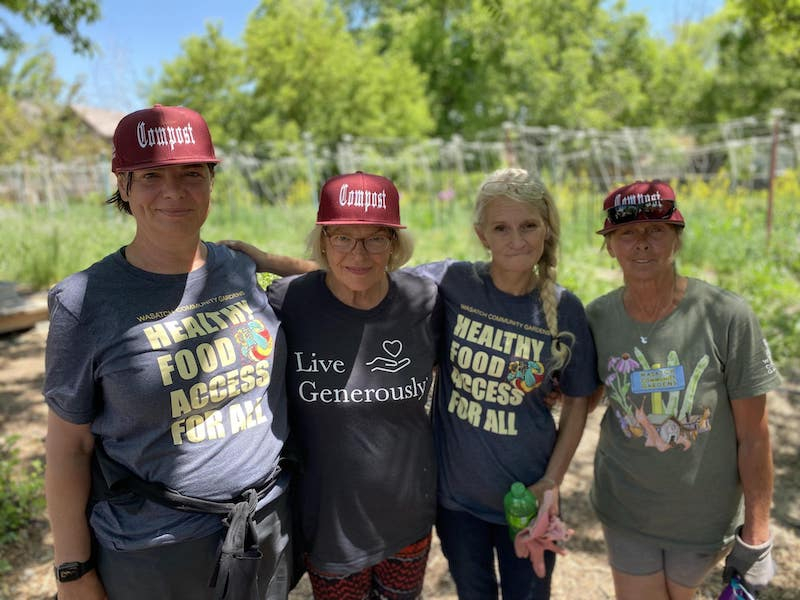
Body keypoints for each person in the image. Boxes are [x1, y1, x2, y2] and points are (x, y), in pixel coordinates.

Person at [225, 167, 598, 599]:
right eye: (342, 237)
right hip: (391, 513)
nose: (359, 252)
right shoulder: (299, 299)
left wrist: (550, 463)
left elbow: (577, 394)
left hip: (466, 506)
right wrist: (268, 261)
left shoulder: (451, 299)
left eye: (529, 225)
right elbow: (347, 277)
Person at [44, 104, 293, 600]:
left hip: (266, 521)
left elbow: (345, 279)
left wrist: (269, 260)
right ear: (124, 184)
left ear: (211, 181)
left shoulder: (240, 269)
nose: (174, 191)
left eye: (191, 174)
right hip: (157, 549)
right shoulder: (85, 301)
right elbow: (69, 447)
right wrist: (72, 571)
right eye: (152, 175)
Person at [585, 180, 781, 599]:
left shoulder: (726, 317)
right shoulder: (597, 318)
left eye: (654, 230)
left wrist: (759, 533)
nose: (641, 244)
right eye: (626, 233)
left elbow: (754, 435)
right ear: (610, 246)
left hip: (703, 518)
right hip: (626, 507)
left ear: (676, 238)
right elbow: (579, 402)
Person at [265, 171, 441, 599]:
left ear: (394, 245)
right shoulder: (289, 303)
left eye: (375, 239)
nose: (358, 254)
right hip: (331, 525)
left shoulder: (425, 301)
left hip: (408, 516)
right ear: (323, 242)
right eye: (343, 238)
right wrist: (258, 257)